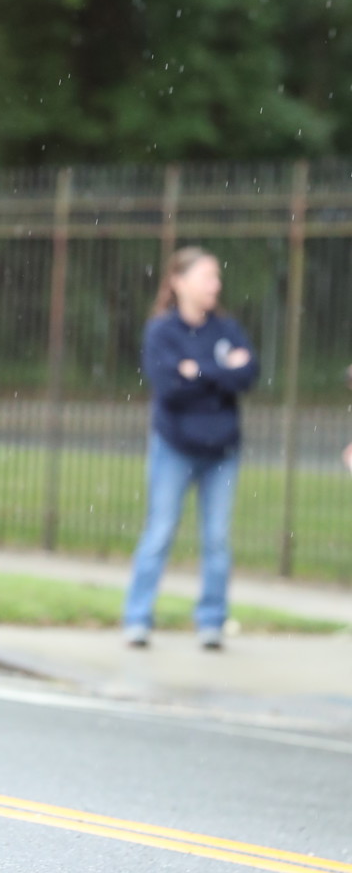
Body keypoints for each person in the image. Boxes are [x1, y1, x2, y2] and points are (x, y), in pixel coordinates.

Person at [123, 246, 259, 650]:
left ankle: (212, 622)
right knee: (160, 533)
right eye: (207, 277)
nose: (215, 285)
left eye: (217, 278)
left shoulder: (227, 330)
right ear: (179, 282)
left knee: (217, 540)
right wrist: (220, 372)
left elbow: (249, 374)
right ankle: (137, 618)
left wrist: (198, 371)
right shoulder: (162, 332)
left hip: (222, 452)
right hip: (174, 448)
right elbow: (170, 388)